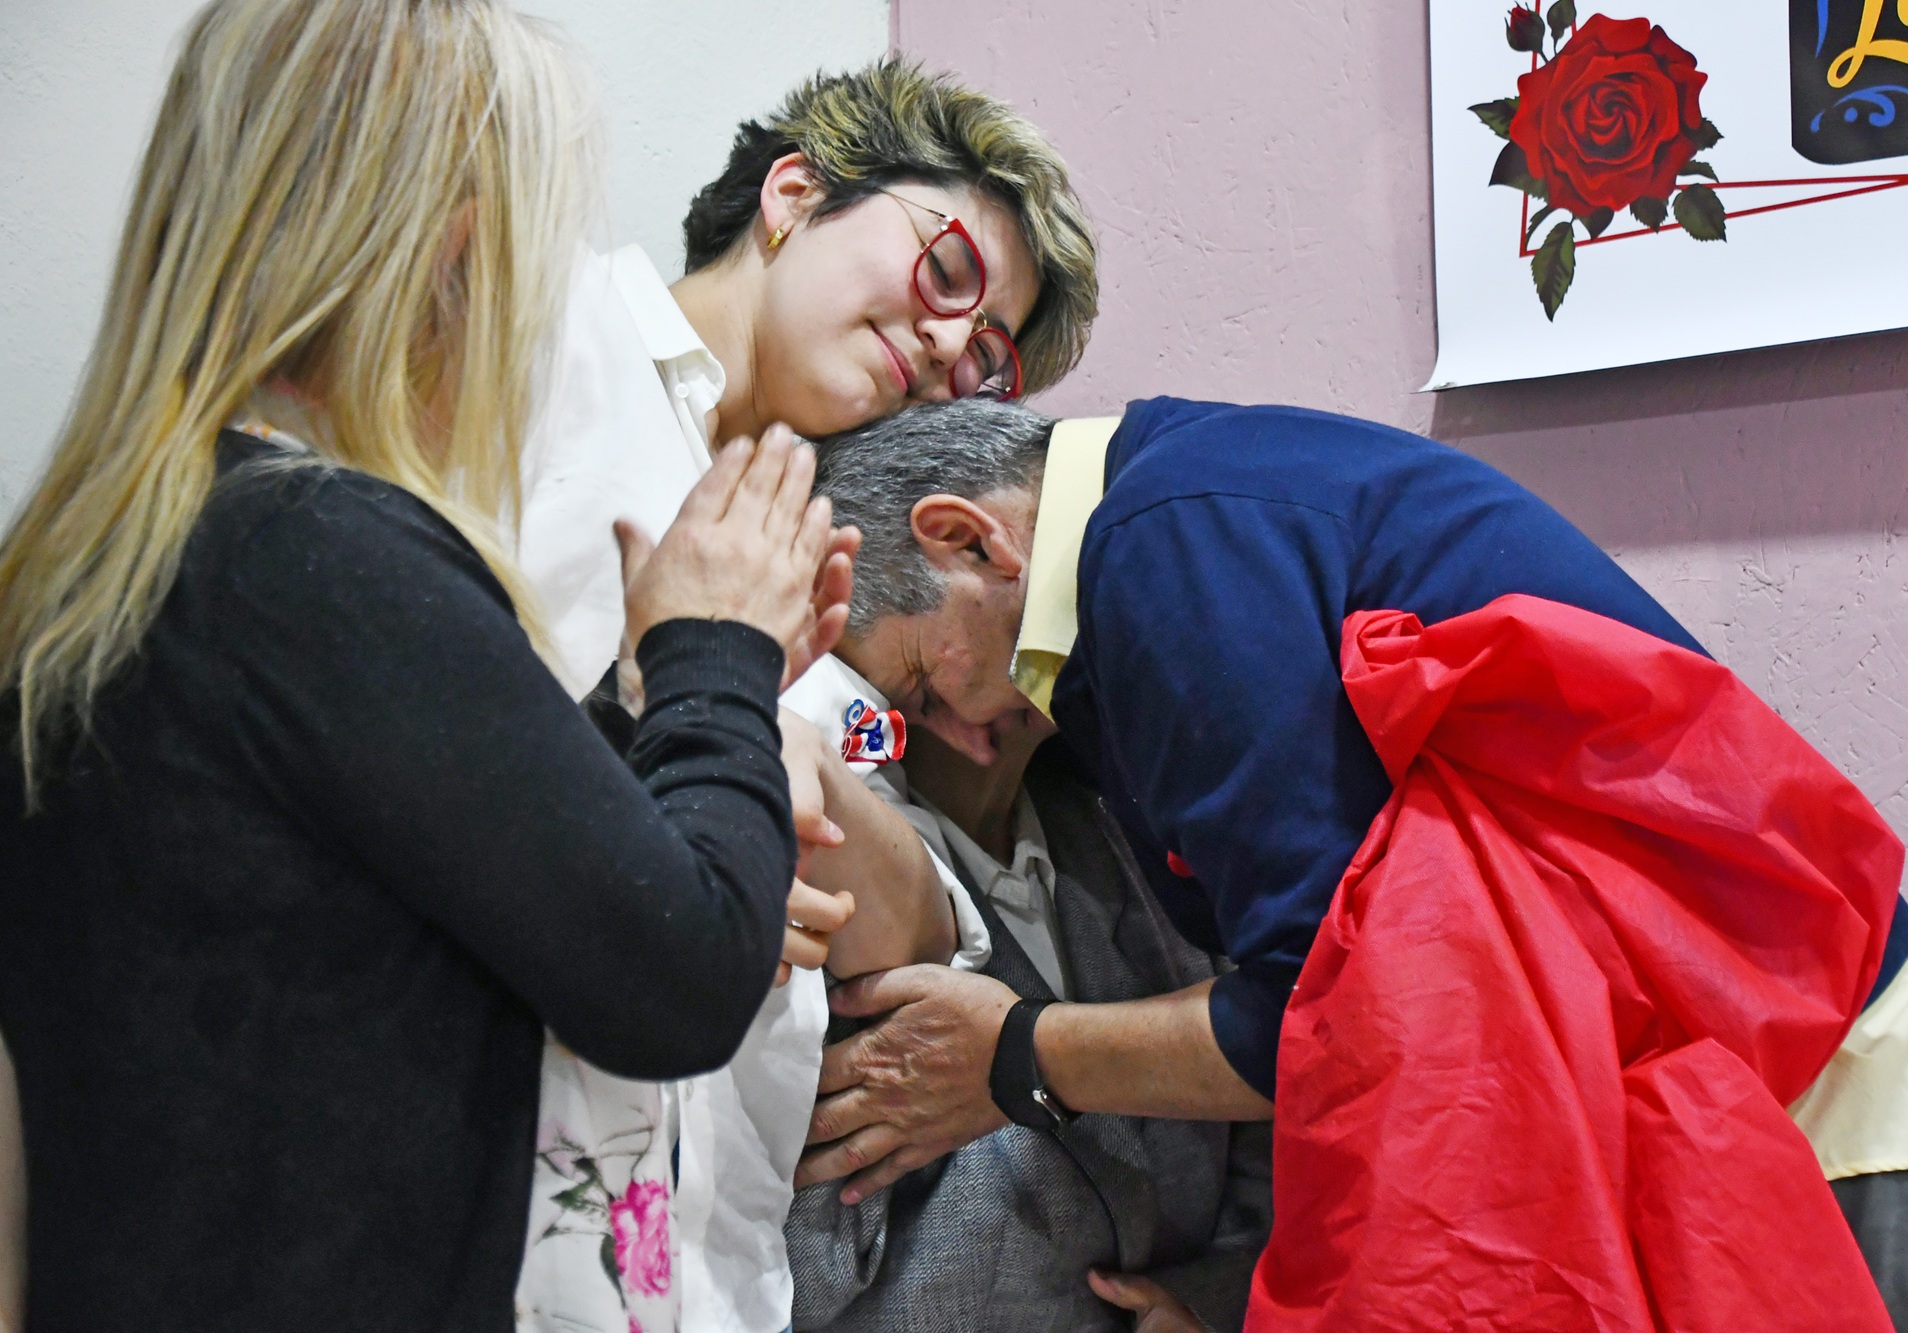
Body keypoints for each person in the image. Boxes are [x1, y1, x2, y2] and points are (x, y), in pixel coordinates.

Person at [0, 2, 855, 1327]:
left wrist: (668, 698)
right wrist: (718, 659)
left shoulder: (128, 556)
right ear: (454, 247)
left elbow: (395, 864)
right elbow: (676, 974)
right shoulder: (320, 558)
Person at [798, 397, 1908, 1331]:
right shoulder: (1205, 515)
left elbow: (1328, 1013)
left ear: (966, 538)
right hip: (1750, 1087)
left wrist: (1013, 1054)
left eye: (916, 683)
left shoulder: (1168, 552)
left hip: (1829, 1122)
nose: (955, 733)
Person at [509, 58, 1101, 1333]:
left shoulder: (836, 564)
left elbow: (917, 943)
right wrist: (697, 740)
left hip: (706, 1269)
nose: (952, 345)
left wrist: (781, 756)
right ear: (792, 192)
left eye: (988, 353)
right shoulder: (542, 340)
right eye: (947, 271)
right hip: (476, 1197)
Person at [785, 723, 1273, 1333]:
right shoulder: (827, 886)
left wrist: (1213, 1302)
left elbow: (1290, 1092)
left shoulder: (1127, 819)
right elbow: (798, 1269)